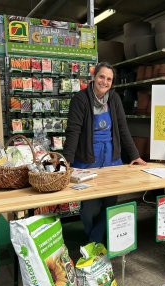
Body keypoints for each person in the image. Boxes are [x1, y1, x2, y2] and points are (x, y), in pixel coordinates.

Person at [63, 61, 147, 243]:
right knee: (89, 209)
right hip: (87, 160)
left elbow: (123, 129)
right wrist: (67, 161)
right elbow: (73, 130)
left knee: (109, 205)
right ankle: (95, 238)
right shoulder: (80, 99)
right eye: (102, 76)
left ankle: (95, 243)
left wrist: (135, 155)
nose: (105, 82)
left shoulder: (114, 99)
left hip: (111, 160)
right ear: (94, 77)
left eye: (109, 79)